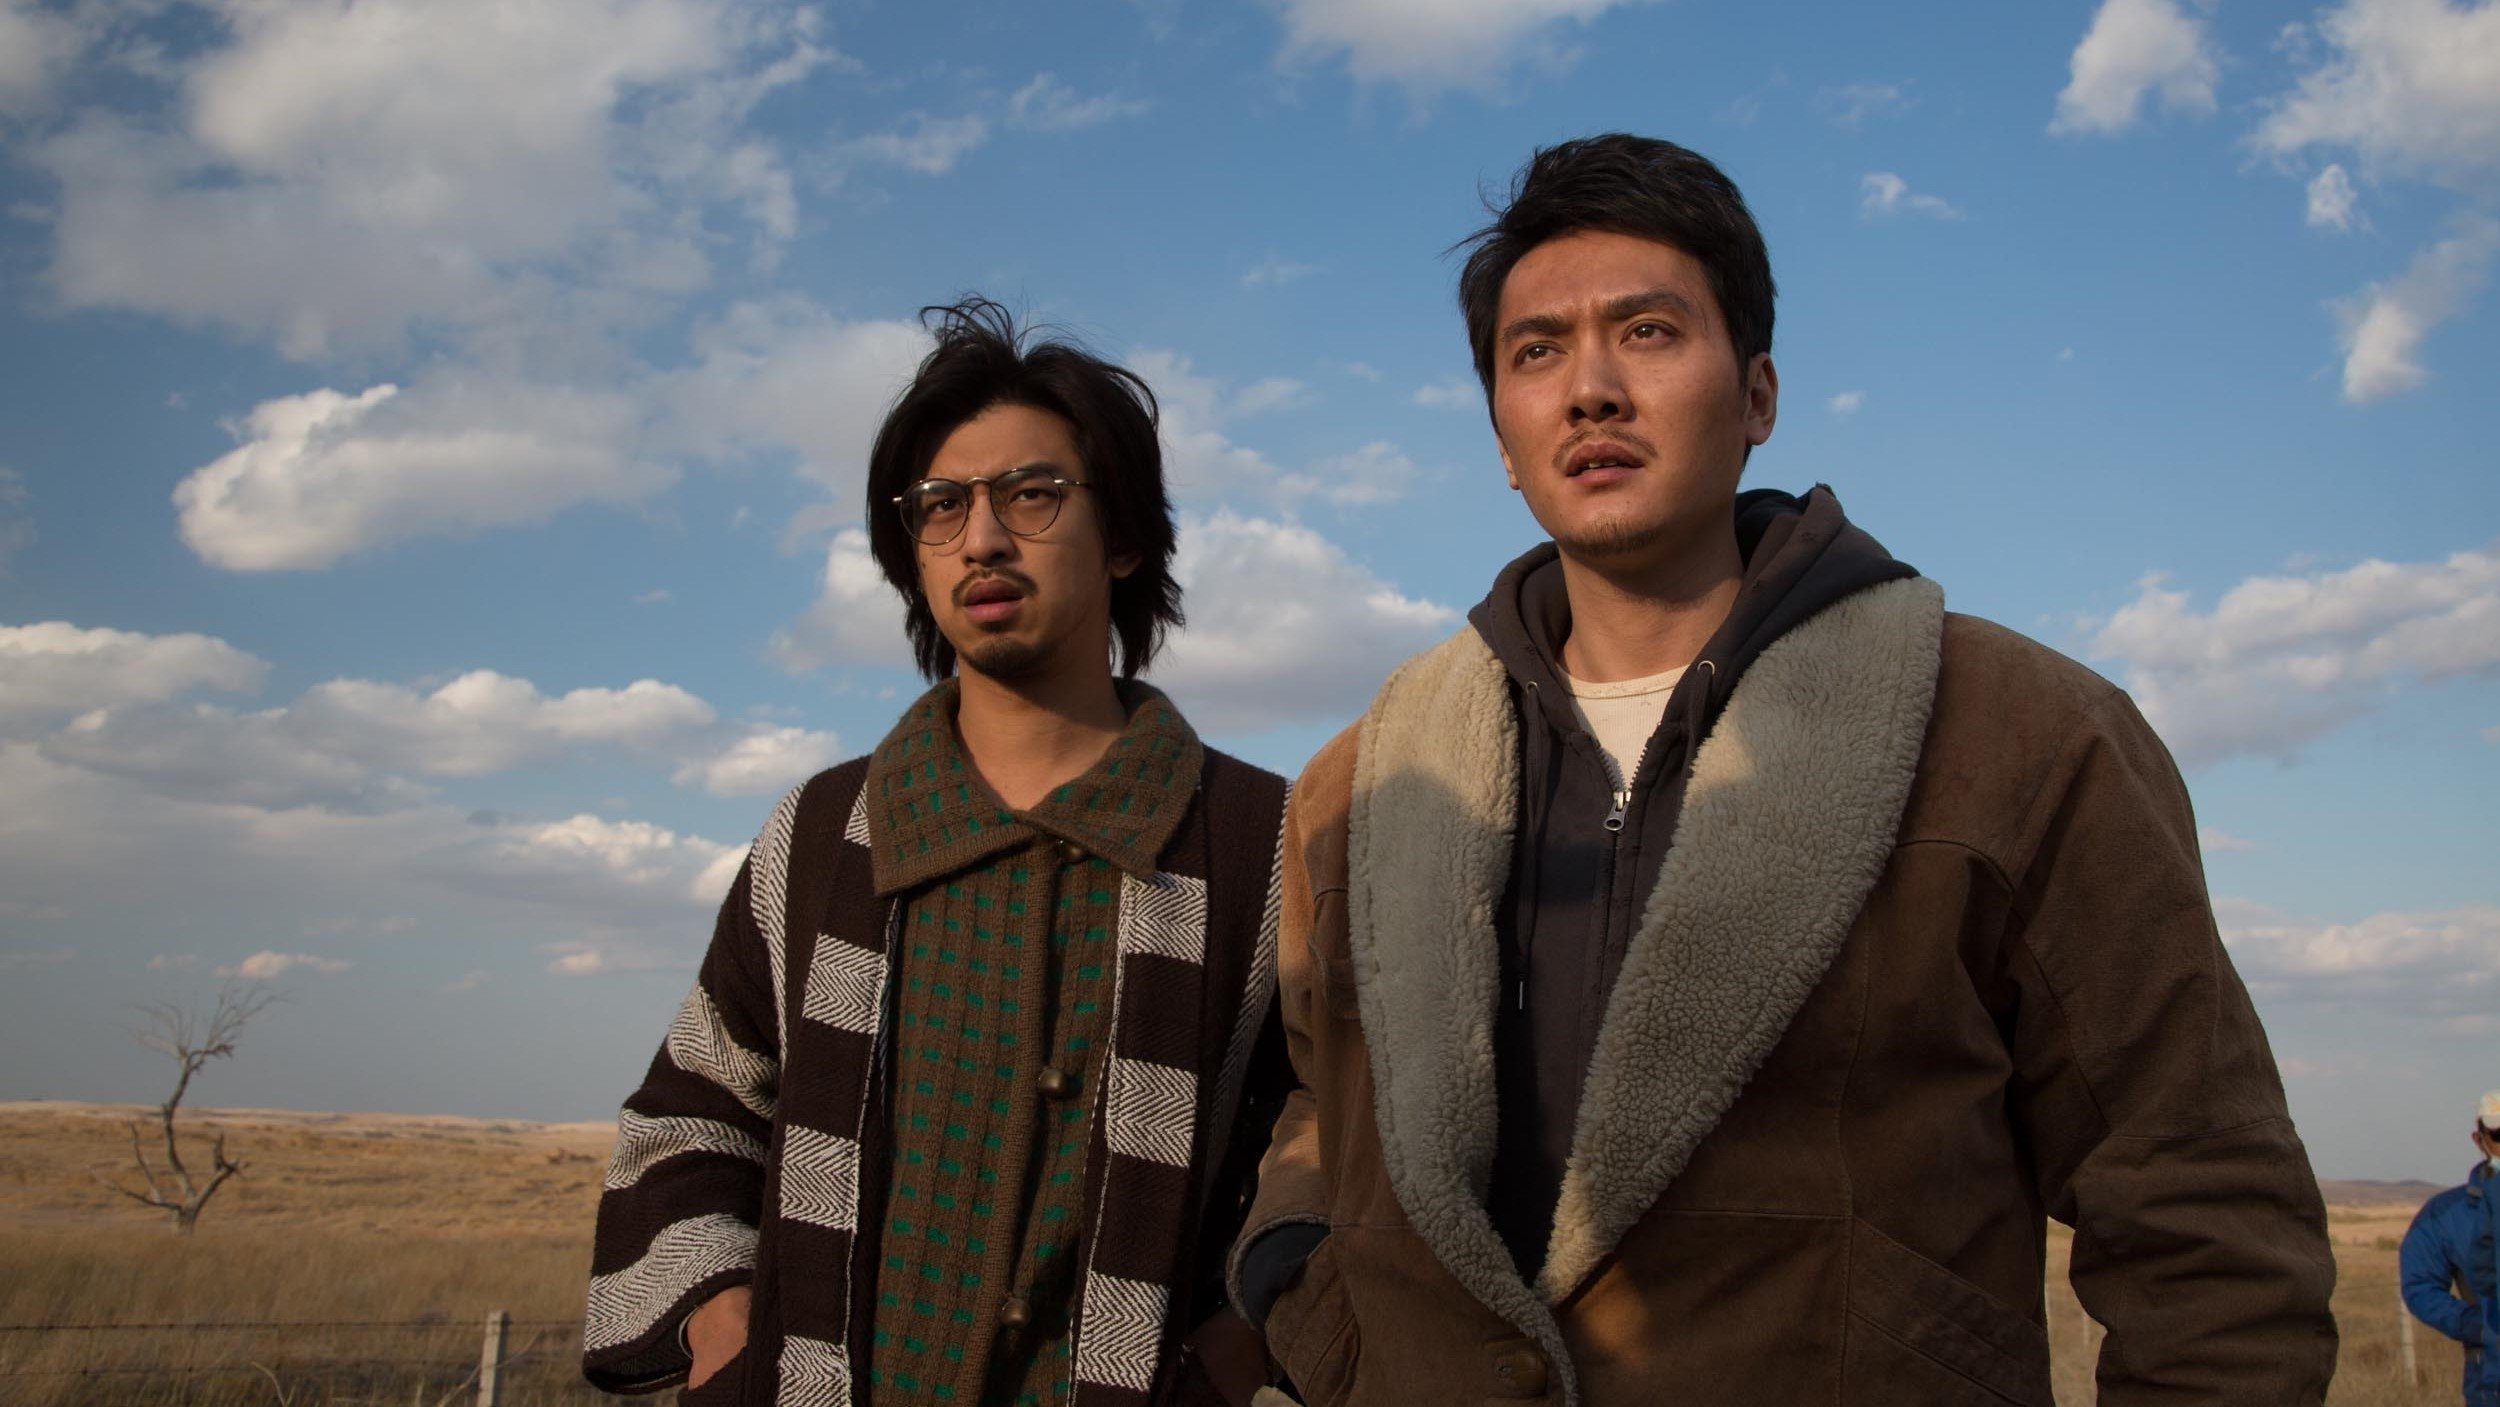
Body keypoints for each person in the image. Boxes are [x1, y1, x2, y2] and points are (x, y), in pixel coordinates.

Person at [1227, 134, 2339, 1405]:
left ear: (1757, 397)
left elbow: (2200, 1200)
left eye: (1647, 332)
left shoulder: (2015, 730)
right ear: (1501, 434)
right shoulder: (1367, 779)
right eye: (1535, 352)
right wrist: (1299, 1278)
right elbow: (1318, 1097)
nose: (1589, 390)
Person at [585, 299, 1291, 1407]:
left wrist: (1241, 1344)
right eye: (941, 506)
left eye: (1032, 493)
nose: (983, 539)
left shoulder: (1260, 843)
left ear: (1124, 537)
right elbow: (691, 1115)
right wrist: (725, 1320)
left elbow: (1339, 1150)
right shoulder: (822, 835)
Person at [2400, 1091, 2500, 1406]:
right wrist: (2479, 1326)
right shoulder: (2445, 1214)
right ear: (2480, 1139)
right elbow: (2421, 1286)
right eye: (2499, 1135)